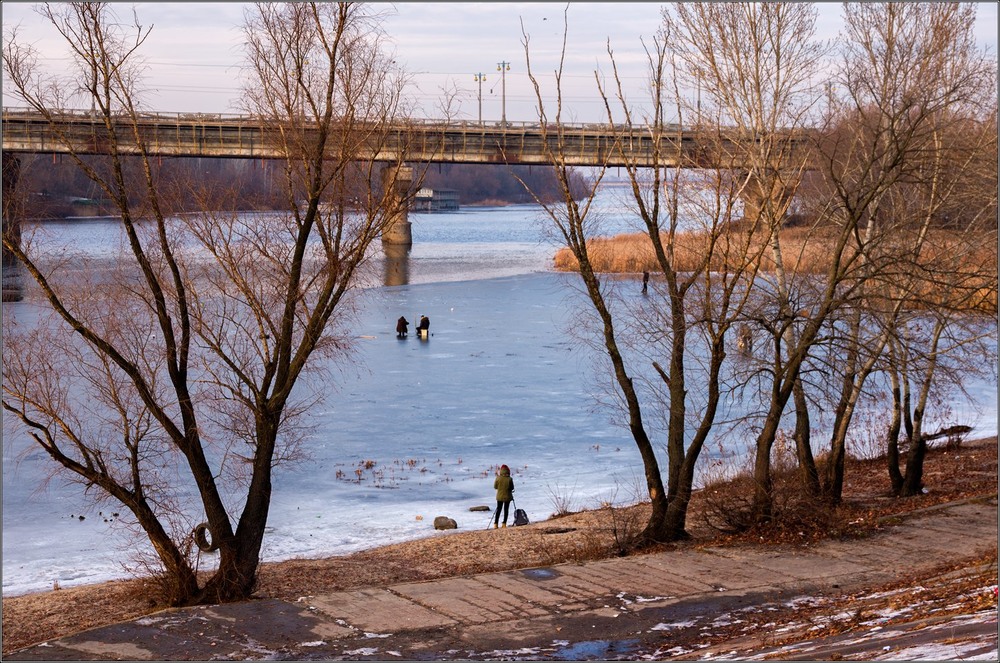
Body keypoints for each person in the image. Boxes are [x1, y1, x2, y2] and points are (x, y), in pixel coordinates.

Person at [493, 464, 514, 528]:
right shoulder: (510, 479)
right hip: (507, 496)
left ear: (501, 471)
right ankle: (504, 524)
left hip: (499, 496)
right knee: (506, 510)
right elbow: (512, 488)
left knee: (498, 509)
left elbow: (495, 487)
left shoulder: (498, 478)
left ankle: (495, 524)